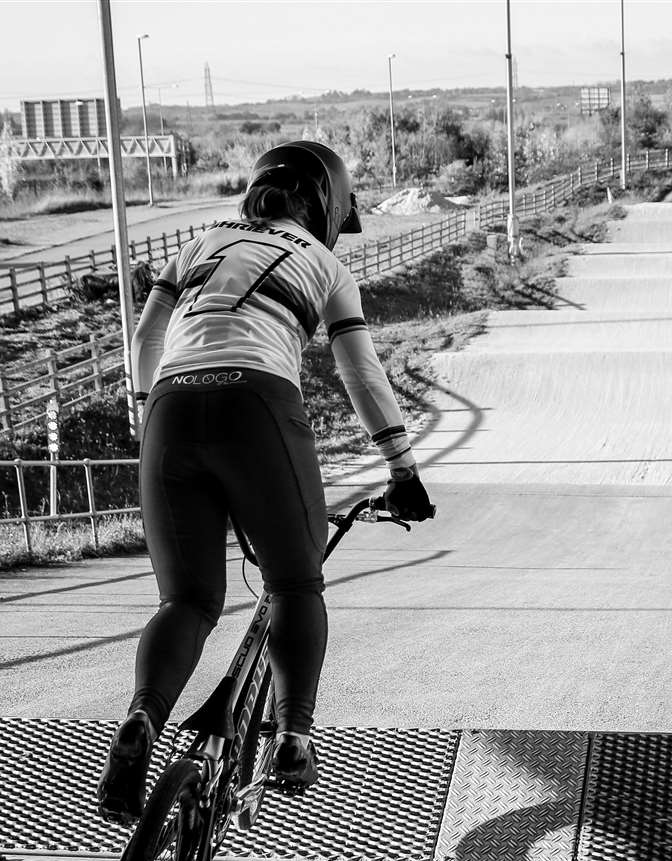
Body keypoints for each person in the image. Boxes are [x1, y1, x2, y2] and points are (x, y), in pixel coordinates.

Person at [97, 140, 434, 824]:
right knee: (294, 583)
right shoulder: (326, 263)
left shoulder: (197, 245)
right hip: (257, 403)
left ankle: (140, 720)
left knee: (186, 601)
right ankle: (293, 738)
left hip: (168, 406)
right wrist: (402, 468)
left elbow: (143, 341)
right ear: (328, 207)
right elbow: (361, 374)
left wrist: (147, 419)